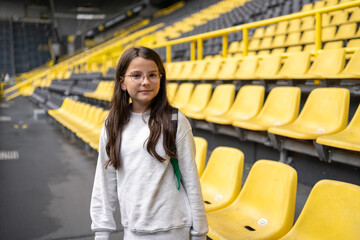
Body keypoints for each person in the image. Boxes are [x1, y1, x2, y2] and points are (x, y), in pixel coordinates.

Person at [90, 46, 208, 240]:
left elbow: (191, 179)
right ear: (122, 82)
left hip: (175, 229)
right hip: (133, 230)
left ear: (161, 79)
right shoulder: (112, 124)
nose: (146, 82)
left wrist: (199, 232)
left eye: (153, 75)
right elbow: (104, 181)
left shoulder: (175, 120)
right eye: (136, 76)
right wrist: (102, 232)